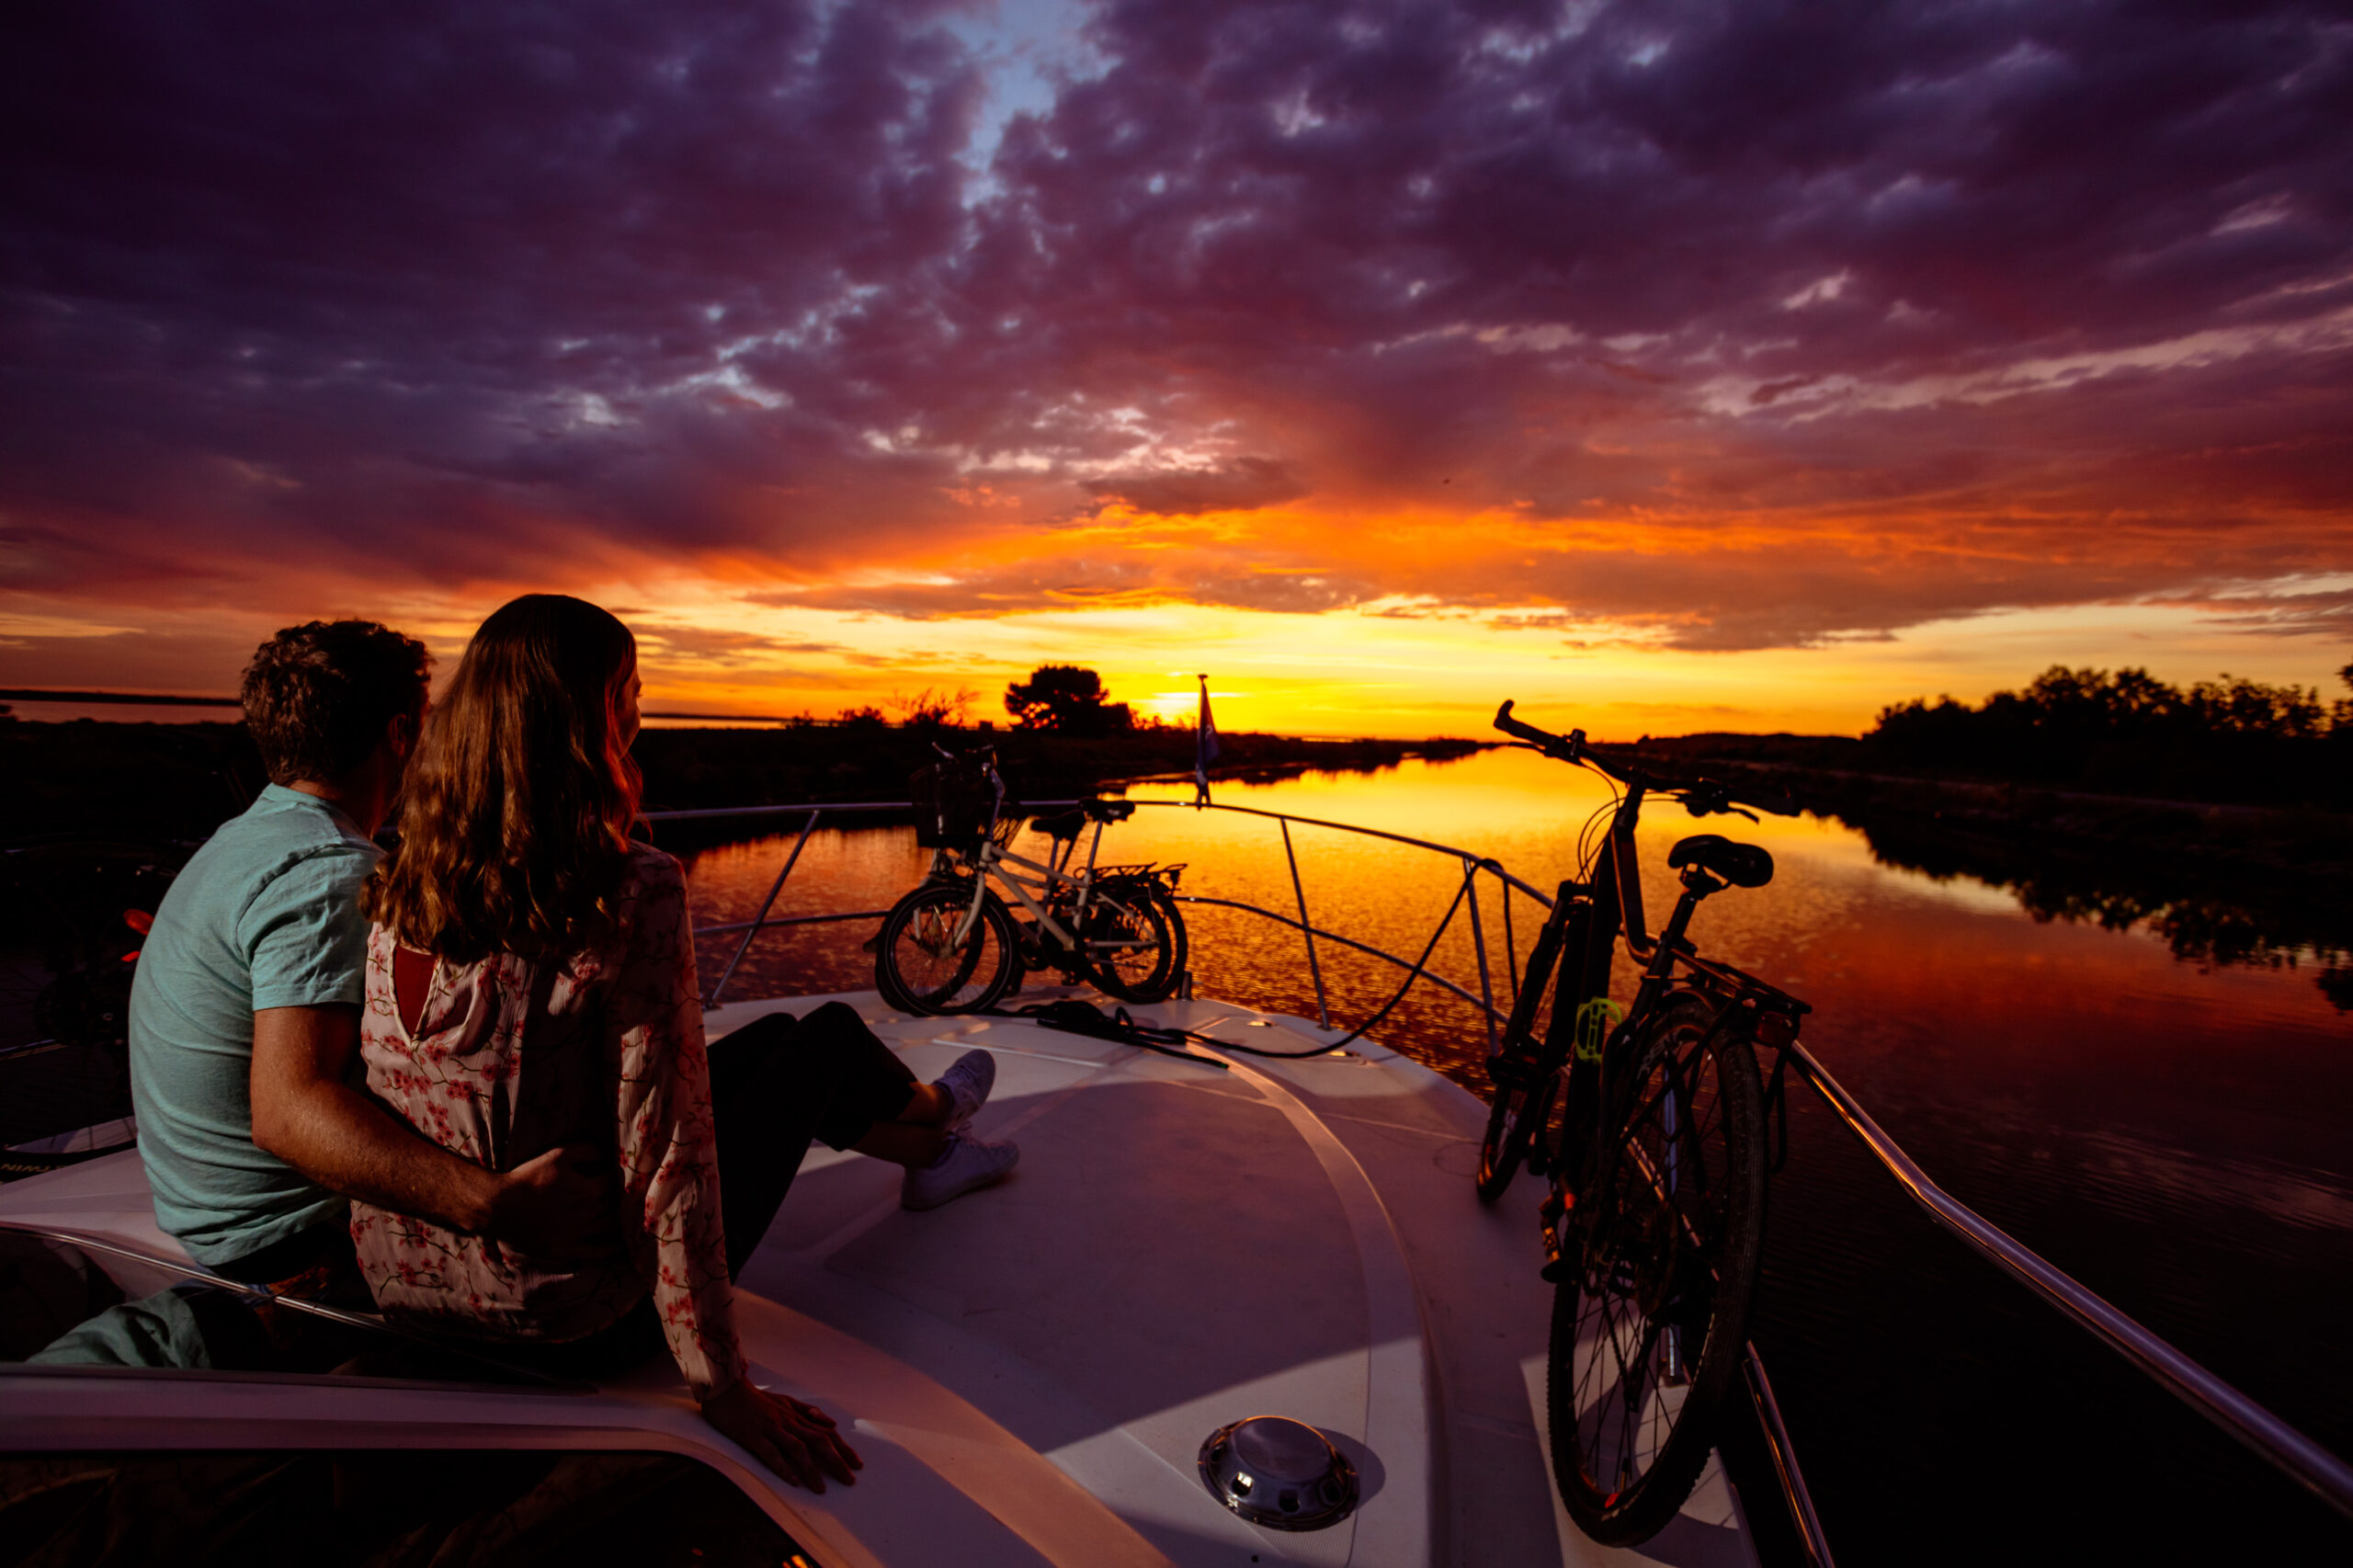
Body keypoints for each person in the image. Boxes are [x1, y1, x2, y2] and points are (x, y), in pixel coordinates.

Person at [351, 594, 1017, 1494]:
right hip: (569, 1318)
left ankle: (932, 1141)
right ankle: (932, 1121)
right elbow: (671, 1156)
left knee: (777, 1033)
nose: (639, 710)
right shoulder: (626, 885)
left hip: (410, 1298)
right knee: (817, 1038)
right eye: (628, 688)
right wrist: (721, 1384)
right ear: (588, 713)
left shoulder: (403, 875)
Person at [126, 619, 609, 1320]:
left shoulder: (247, 839)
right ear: (400, 734)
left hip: (211, 1221)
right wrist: (495, 1206)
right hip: (295, 1250)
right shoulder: (331, 873)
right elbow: (289, 1113)